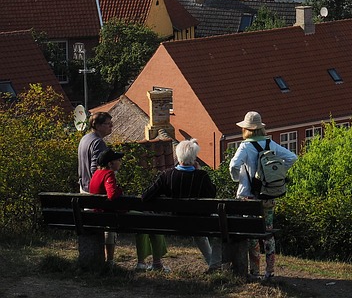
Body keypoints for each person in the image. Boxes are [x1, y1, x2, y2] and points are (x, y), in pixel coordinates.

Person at [228, 111, 297, 280]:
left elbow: (233, 166)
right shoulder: (270, 143)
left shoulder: (245, 146)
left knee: (252, 236)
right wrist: (276, 174)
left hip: (248, 197)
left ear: (247, 129)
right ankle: (270, 271)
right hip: (268, 195)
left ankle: (255, 271)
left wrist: (239, 179)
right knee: (268, 233)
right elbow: (292, 157)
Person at [143, 138, 220, 272]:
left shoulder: (167, 175)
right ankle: (214, 265)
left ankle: (212, 264)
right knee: (217, 228)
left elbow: (146, 196)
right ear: (194, 158)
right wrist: (199, 170)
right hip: (198, 223)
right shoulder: (201, 176)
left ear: (178, 156)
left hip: (172, 223)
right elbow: (212, 194)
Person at [90, 148, 168, 271]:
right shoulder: (108, 174)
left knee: (144, 223)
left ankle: (145, 263)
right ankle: (153, 263)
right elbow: (112, 194)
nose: (120, 162)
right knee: (153, 222)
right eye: (118, 160)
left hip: (101, 215)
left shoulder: (96, 174)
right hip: (113, 217)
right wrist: (120, 190)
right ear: (110, 163)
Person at [78, 112, 115, 265]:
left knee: (91, 225)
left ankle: (91, 259)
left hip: (83, 188)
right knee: (108, 224)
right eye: (108, 124)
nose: (111, 127)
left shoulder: (85, 138)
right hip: (94, 192)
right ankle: (109, 261)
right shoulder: (99, 143)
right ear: (98, 126)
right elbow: (96, 169)